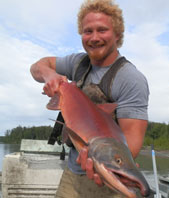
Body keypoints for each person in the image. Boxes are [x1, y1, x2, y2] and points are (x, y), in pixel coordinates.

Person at [30, 0, 149, 197]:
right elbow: (37, 67)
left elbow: (131, 147)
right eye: (88, 31)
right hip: (72, 174)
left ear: (117, 34)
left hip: (106, 181)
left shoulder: (131, 79)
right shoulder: (78, 63)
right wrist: (50, 76)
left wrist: (105, 166)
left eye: (102, 30)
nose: (94, 38)